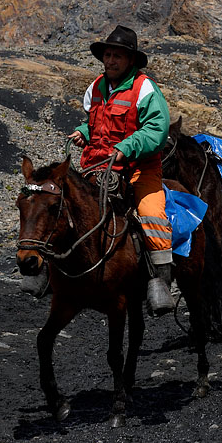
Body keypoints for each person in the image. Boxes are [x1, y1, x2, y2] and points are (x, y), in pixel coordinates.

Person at [67, 25, 175, 315]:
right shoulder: (96, 87)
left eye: (117, 56)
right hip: (98, 165)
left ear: (130, 60)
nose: (110, 60)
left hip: (139, 167)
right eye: (107, 55)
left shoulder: (145, 89)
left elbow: (158, 129)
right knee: (61, 204)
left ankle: (160, 283)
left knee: (152, 213)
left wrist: (129, 146)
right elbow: (94, 124)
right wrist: (83, 133)